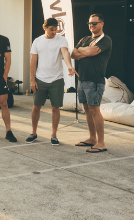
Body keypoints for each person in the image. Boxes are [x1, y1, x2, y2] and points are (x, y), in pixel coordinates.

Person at [27, 18, 75, 144]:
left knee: (55, 107)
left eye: (55, 29)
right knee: (36, 106)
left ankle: (54, 135)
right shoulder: (37, 41)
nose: (54, 32)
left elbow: (65, 53)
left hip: (56, 79)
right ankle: (33, 133)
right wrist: (33, 80)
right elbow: (33, 62)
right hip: (40, 79)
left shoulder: (61, 39)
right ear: (45, 28)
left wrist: (69, 66)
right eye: (51, 29)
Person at [71, 14, 112, 153]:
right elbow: (73, 54)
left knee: (95, 110)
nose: (91, 25)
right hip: (82, 79)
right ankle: (92, 138)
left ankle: (101, 143)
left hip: (95, 80)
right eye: (89, 23)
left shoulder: (105, 40)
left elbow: (91, 51)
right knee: (87, 109)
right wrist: (86, 52)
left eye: (94, 23)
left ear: (102, 24)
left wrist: (85, 51)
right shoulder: (85, 39)